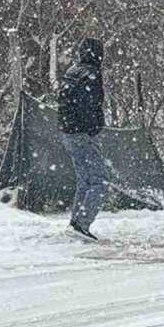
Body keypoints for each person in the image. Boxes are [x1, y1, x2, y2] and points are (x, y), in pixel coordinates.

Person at [58, 37, 107, 241]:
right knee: (99, 181)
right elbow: (90, 107)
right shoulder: (92, 75)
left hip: (68, 132)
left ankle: (76, 221)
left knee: (84, 180)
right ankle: (82, 222)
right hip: (84, 133)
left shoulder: (72, 72)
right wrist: (95, 128)